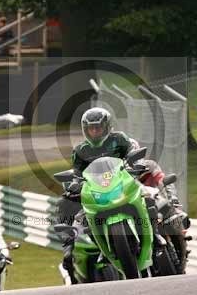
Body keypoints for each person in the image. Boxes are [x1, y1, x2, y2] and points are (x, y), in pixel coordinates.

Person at [55, 107, 188, 280]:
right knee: (72, 209)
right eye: (90, 129)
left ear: (107, 126)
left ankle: (164, 231)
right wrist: (73, 185)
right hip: (99, 192)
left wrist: (137, 166)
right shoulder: (81, 150)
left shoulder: (120, 139)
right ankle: (74, 247)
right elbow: (77, 174)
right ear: (85, 130)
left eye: (98, 128)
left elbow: (135, 156)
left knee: (155, 200)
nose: (94, 132)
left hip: (126, 184)